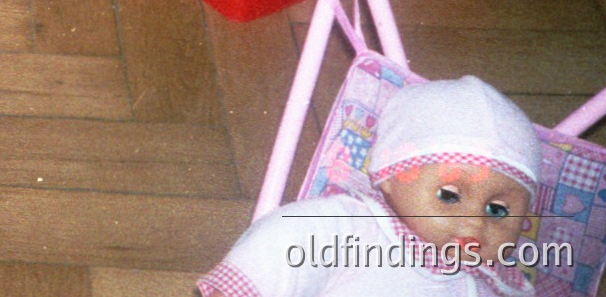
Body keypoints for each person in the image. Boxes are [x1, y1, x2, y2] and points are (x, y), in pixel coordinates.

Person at [200, 76, 543, 296]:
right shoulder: (353, 228)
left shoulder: (496, 284)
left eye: (498, 210)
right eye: (449, 196)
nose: (474, 223)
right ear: (391, 178)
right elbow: (280, 248)